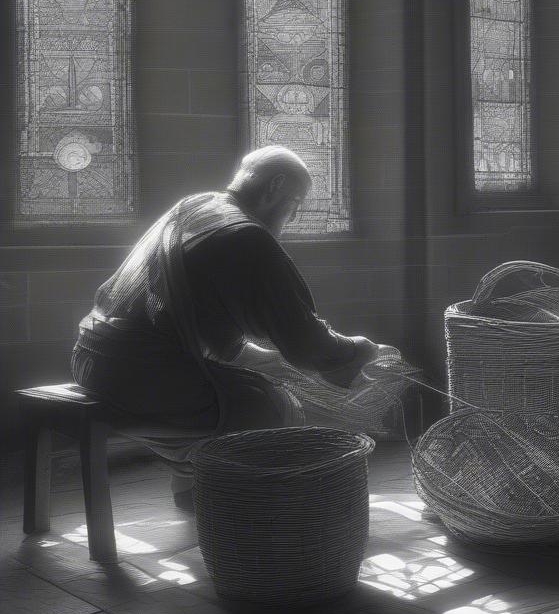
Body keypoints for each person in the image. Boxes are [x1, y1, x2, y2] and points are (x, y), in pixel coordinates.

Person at [71, 146, 383, 509]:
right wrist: (360, 348)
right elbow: (310, 346)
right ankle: (254, 513)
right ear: (275, 187)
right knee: (272, 405)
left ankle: (192, 490)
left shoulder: (195, 206)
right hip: (141, 381)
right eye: (295, 203)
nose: (294, 217)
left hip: (89, 360)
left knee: (246, 384)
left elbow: (216, 338)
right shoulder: (247, 236)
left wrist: (272, 363)